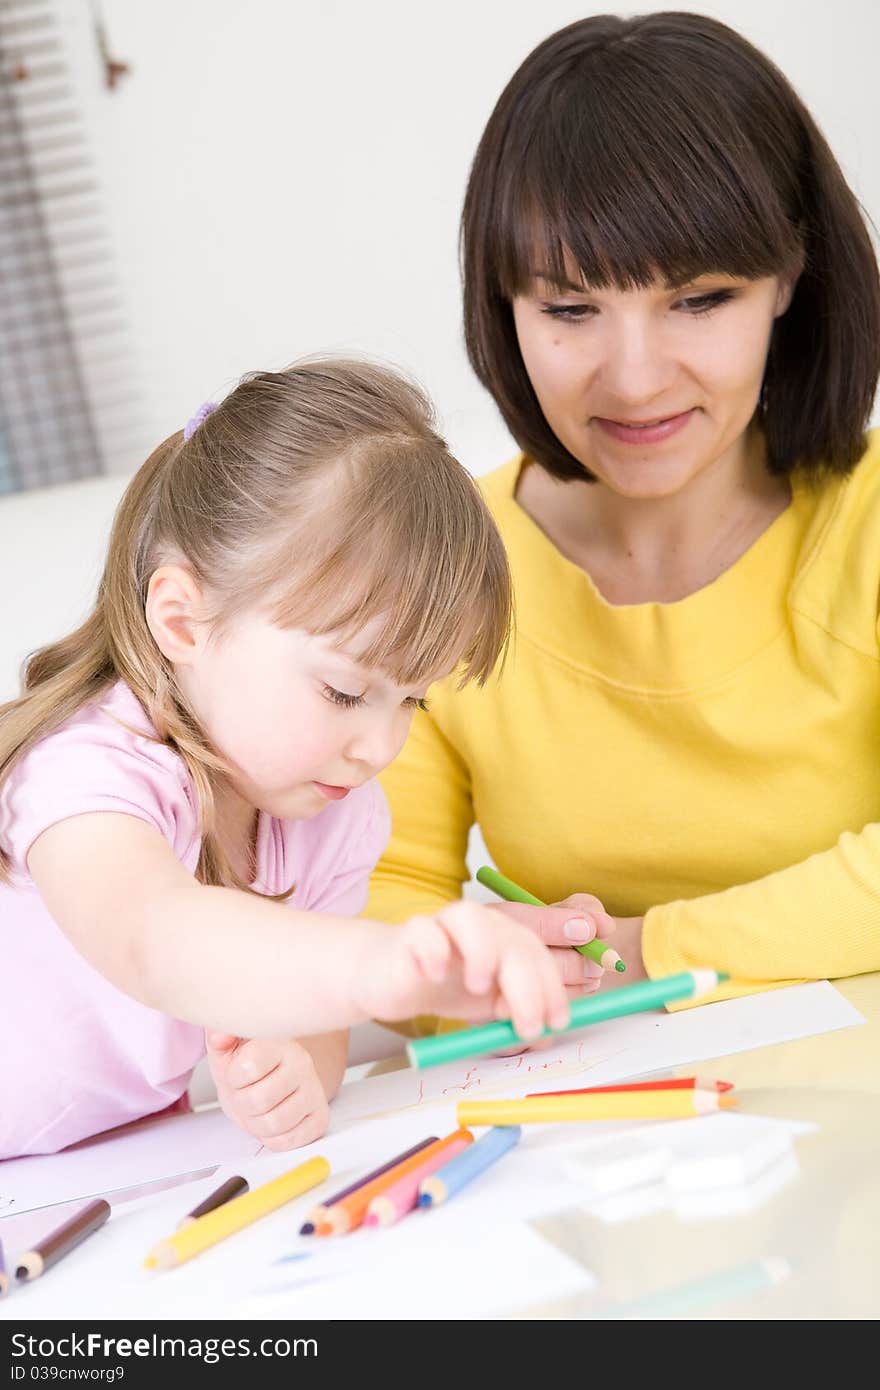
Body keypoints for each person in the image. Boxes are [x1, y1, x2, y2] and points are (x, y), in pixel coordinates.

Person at [367, 12, 880, 1037]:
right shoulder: (436, 558)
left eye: (699, 299)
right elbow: (383, 898)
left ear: (790, 279)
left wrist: (644, 950)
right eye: (568, 310)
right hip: (595, 1130)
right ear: (502, 304)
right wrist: (471, 976)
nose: (636, 379)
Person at [0, 359, 580, 1158]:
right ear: (183, 621)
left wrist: (293, 1073)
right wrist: (386, 963)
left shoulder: (326, 811)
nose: (381, 747)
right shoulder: (87, 769)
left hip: (82, 1172)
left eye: (413, 699)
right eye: (345, 692)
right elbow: (156, 939)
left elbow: (318, 1035)